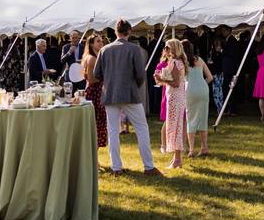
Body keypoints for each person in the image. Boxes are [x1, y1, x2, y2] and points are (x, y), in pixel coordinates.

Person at [93, 18, 161, 176]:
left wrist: (110, 81)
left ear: (116, 32)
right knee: (141, 128)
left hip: (110, 94)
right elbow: (140, 74)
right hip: (129, 93)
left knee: (113, 131)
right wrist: (134, 86)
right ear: (129, 32)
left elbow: (97, 74)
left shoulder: (105, 50)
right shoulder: (133, 49)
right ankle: (148, 166)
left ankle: (116, 167)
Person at [156, 39, 187, 169]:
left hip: (175, 98)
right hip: (178, 97)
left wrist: (161, 79)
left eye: (168, 48)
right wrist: (161, 80)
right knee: (177, 126)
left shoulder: (175, 62)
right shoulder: (179, 62)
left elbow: (175, 83)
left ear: (174, 49)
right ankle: (176, 158)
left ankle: (177, 160)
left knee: (174, 127)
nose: (166, 50)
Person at [182, 39, 212, 157]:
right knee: (203, 119)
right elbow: (210, 77)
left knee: (191, 119)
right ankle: (204, 147)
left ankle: (191, 150)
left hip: (190, 90)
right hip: (203, 90)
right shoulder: (199, 59)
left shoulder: (182, 62)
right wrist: (201, 84)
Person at [80, 34, 108, 148]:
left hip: (98, 91)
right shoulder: (92, 58)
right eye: (98, 41)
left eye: (101, 41)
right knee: (96, 124)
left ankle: (94, 157)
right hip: (94, 93)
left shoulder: (97, 56)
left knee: (98, 124)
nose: (101, 43)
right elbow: (91, 80)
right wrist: (106, 77)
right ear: (91, 44)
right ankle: (93, 157)